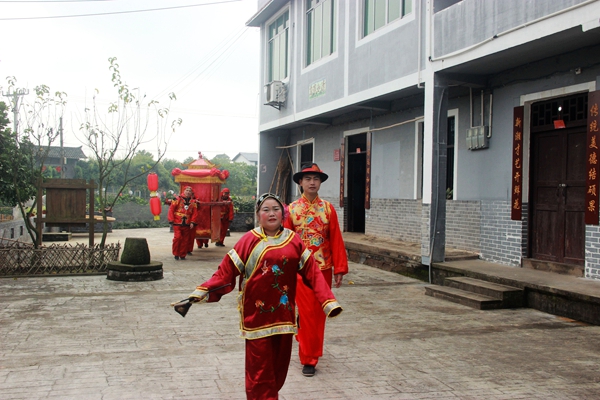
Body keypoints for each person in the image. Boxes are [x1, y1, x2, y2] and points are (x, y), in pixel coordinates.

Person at [181, 193, 342, 400]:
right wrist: (202, 291)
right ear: (258, 215)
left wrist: (327, 300)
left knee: (278, 371)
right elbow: (225, 273)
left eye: (276, 209)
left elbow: (312, 272)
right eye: (266, 210)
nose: (271, 213)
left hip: (284, 319)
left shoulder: (294, 241)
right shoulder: (248, 240)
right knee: (259, 375)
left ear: (283, 214)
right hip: (256, 320)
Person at [283, 163, 349, 377]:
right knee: (306, 313)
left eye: (316, 179)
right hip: (300, 271)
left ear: (320, 183)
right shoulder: (291, 210)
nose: (312, 182)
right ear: (300, 182)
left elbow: (336, 240)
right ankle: (309, 358)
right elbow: (285, 243)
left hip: (324, 270)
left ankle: (308, 346)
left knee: (318, 315)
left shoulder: (328, 209)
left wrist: (339, 267)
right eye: (308, 179)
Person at [167, 186, 198, 260]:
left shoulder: (193, 202)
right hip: (177, 222)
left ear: (191, 193)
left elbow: (195, 213)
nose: (188, 192)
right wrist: (171, 219)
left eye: (189, 191)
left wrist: (192, 222)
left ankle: (182, 254)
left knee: (185, 239)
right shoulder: (177, 199)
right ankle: (176, 254)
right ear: (184, 191)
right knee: (177, 238)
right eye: (187, 190)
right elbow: (171, 209)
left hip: (187, 223)